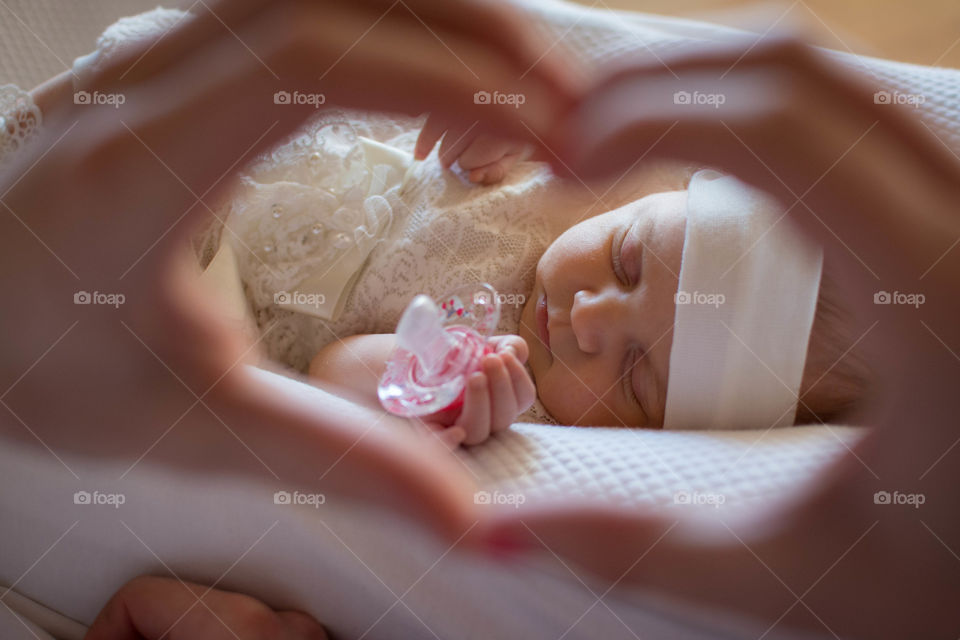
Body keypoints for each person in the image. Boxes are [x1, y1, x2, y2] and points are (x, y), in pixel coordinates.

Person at [1, 1, 958, 638]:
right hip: (267, 172)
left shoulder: (522, 401)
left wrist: (436, 401)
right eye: (626, 261)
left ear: (661, 429)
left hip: (224, 293)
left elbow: (334, 373)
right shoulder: (602, 181)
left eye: (634, 375)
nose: (587, 318)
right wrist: (492, 125)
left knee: (104, 284)